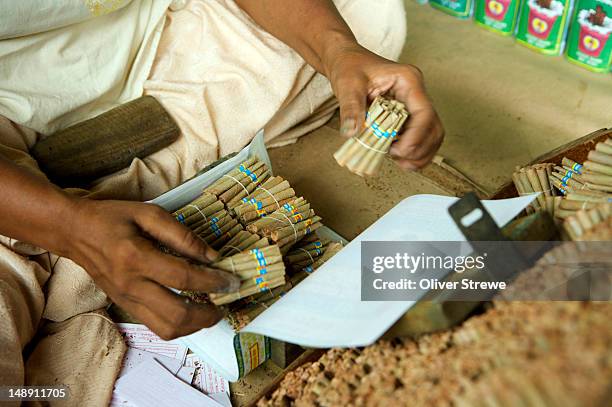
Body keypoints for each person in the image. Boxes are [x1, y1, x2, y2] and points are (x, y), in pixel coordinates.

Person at [0, 0, 443, 402]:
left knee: (369, 15)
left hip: (154, 32)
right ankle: (78, 198)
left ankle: (99, 185)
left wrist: (337, 50)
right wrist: (68, 226)